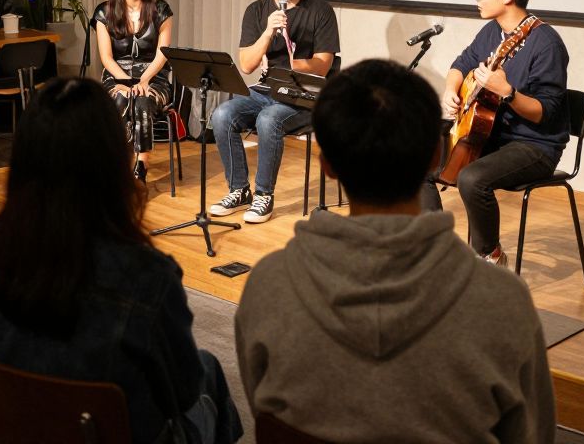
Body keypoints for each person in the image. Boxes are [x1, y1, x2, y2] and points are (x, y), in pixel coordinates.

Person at [235, 59, 556, 443]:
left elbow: (263, 411)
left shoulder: (269, 285)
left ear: (327, 166)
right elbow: (532, 435)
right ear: (434, 159)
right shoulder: (504, 302)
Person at [0, 77, 242, 444]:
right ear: (112, 160)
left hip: (18, 427)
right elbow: (184, 391)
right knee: (208, 372)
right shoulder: (147, 277)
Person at [425, 0, 569, 267]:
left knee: (472, 179)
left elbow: (545, 112)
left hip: (534, 144)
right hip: (490, 134)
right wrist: (451, 90)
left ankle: (489, 256)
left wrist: (507, 92)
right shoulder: (493, 31)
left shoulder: (547, 44)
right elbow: (461, 64)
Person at [209, 0, 339, 223]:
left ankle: (264, 195)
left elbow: (324, 64)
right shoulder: (256, 12)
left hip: (304, 94)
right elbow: (246, 65)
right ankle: (239, 189)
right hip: (267, 89)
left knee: (269, 119)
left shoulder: (320, 10)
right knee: (222, 114)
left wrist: (294, 66)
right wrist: (268, 32)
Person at [92, 0, 174, 183]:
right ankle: (117, 163)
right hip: (116, 76)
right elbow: (106, 57)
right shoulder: (104, 12)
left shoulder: (161, 10)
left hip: (154, 77)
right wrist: (125, 82)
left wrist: (144, 81)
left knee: (143, 100)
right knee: (120, 99)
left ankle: (141, 166)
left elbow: (162, 54)